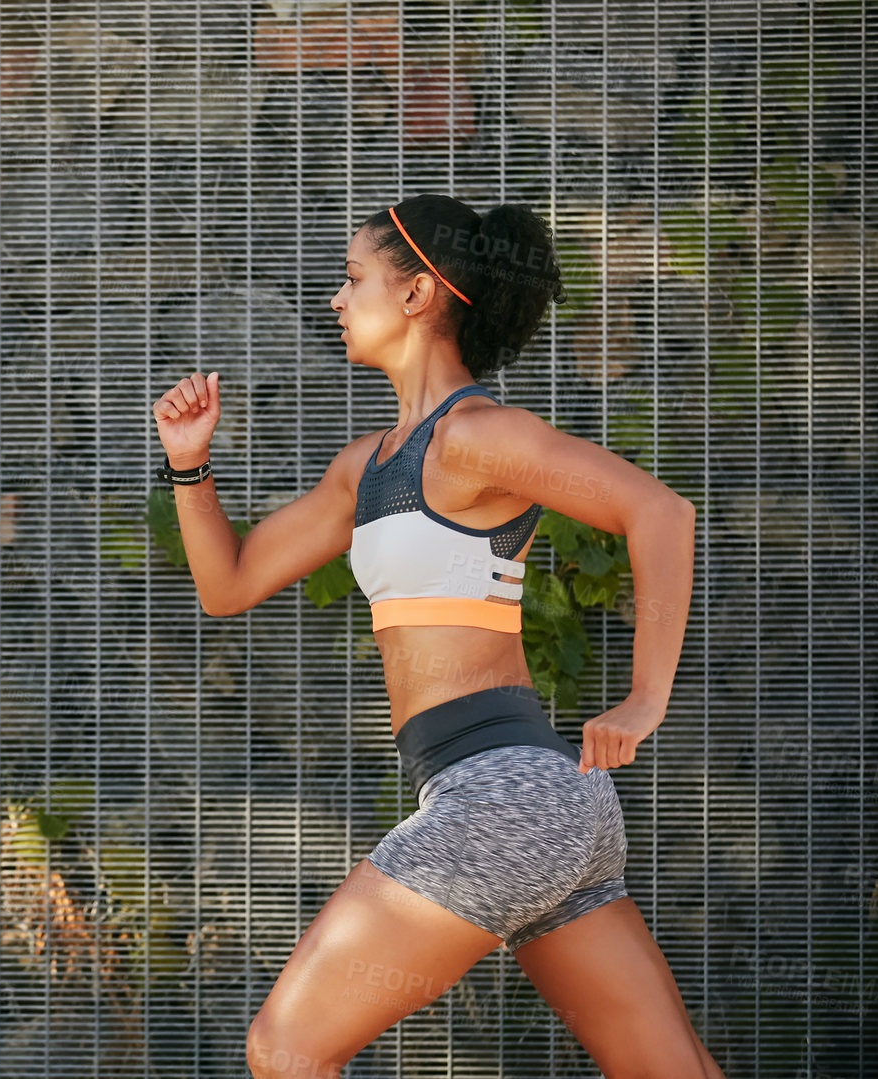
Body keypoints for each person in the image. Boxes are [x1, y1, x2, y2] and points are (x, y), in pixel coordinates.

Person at [149, 194, 722, 1078]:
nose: (336, 300)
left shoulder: (479, 437)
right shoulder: (369, 467)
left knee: (287, 1049)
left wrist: (646, 698)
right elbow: (229, 585)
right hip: (533, 804)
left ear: (418, 294)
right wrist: (190, 462)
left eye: (354, 279)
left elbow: (659, 511)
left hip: (504, 796)